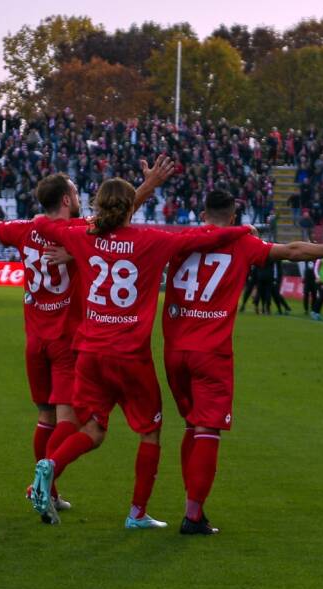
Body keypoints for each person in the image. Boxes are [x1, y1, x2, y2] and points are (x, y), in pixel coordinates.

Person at [0, 158, 173, 514]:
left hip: (34, 339)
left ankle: (47, 491)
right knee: (72, 423)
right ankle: (44, 484)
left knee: (44, 417)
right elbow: (120, 212)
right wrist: (150, 186)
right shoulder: (82, 230)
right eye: (74, 191)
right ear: (67, 199)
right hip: (67, 342)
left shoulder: (25, 229)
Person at [28, 178, 254, 528]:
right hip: (130, 355)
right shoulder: (152, 239)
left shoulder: (82, 236)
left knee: (92, 427)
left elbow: (45, 224)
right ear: (132, 207)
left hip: (89, 353)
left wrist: (65, 237)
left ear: (98, 206)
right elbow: (201, 237)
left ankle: (51, 465)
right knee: (150, 432)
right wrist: (241, 230)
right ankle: (137, 513)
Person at [162, 190, 323, 534]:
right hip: (210, 352)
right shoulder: (243, 243)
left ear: (202, 214)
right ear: (232, 218)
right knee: (207, 428)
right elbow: (292, 251)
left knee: (191, 424)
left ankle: (190, 503)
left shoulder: (177, 238)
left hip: (173, 350)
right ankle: (193, 514)